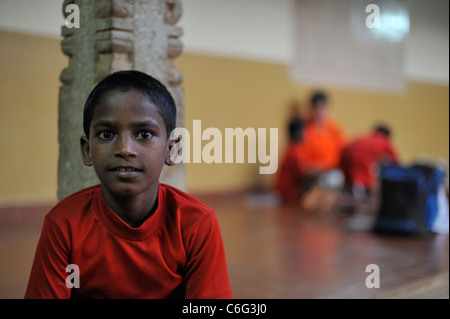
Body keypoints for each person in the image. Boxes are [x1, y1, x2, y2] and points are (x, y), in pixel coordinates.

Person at [25, 70, 232, 299]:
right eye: (106, 134)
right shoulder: (64, 224)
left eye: (144, 134)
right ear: (87, 150)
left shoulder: (196, 225)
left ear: (171, 149)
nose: (125, 149)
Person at [340, 125, 399, 198]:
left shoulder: (366, 136)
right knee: (365, 180)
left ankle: (354, 193)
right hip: (362, 157)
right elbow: (395, 159)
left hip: (346, 154)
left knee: (352, 178)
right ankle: (360, 197)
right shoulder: (384, 140)